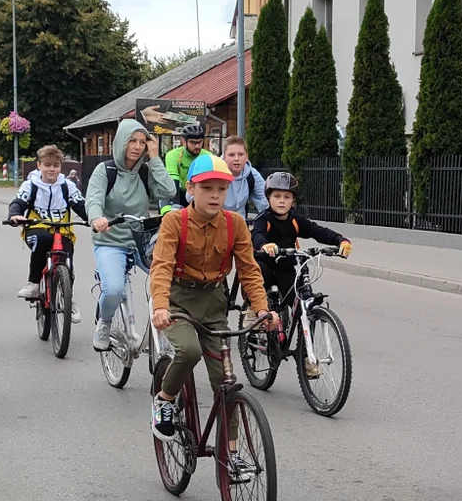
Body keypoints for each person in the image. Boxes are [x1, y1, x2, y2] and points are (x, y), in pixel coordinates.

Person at [149, 155, 278, 474]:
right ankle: (165, 399)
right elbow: (162, 265)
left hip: (213, 304)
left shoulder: (235, 224)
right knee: (189, 350)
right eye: (207, 188)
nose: (215, 195)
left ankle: (232, 453)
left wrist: (262, 308)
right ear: (191, 188)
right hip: (178, 301)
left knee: (226, 382)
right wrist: (160, 305)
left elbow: (249, 270)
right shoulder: (174, 222)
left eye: (222, 188)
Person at [85, 118, 176, 351]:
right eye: (132, 141)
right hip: (111, 240)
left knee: (170, 277)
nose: (137, 147)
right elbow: (93, 199)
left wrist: (155, 158)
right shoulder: (105, 171)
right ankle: (104, 322)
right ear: (121, 142)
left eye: (142, 142)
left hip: (141, 239)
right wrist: (97, 219)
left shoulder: (145, 172)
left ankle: (164, 325)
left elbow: (168, 190)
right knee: (113, 289)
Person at [250, 171, 351, 377]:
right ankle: (254, 312)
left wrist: (340, 240)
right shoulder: (264, 218)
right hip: (266, 265)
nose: (281, 201)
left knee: (306, 303)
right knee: (259, 274)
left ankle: (307, 358)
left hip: (287, 268)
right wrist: (264, 245)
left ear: (293, 200)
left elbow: (317, 230)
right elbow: (257, 234)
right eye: (277, 196)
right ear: (268, 198)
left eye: (287, 197)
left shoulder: (295, 220)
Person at [9, 144, 88, 323]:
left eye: (55, 165)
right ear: (39, 165)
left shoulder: (67, 186)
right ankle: (34, 284)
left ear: (60, 167)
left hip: (63, 229)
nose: (51, 169)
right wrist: (15, 215)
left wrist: (94, 219)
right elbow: (18, 202)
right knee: (43, 240)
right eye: (47, 165)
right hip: (37, 228)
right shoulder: (31, 185)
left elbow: (81, 206)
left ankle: (67, 299)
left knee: (67, 263)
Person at [220, 136, 268, 219]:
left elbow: (266, 203)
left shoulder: (253, 175)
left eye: (241, 154)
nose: (236, 159)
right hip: (215, 225)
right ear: (224, 156)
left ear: (246, 156)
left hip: (240, 225)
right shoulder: (214, 172)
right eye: (231, 155)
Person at [164, 124, 211, 201]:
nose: (197, 146)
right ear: (184, 141)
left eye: (200, 142)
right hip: (178, 192)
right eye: (193, 142)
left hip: (198, 194)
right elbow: (173, 182)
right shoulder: (172, 155)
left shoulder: (208, 156)